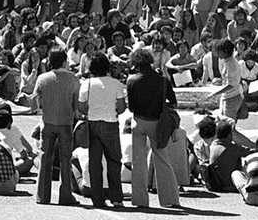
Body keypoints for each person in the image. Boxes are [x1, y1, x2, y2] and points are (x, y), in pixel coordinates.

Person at [126, 48, 180, 208]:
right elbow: (174, 103)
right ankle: (170, 199)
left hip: (139, 121)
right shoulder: (163, 80)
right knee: (162, 159)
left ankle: (140, 200)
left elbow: (132, 108)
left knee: (138, 160)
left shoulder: (132, 80)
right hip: (157, 122)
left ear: (136, 63)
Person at [78, 53, 126, 208]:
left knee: (95, 162)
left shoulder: (87, 83)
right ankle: (116, 197)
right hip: (110, 122)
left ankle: (97, 199)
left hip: (92, 122)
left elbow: (81, 106)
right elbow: (122, 106)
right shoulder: (116, 83)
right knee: (114, 161)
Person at [33, 48, 80, 205]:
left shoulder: (42, 78)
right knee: (65, 160)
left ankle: (42, 195)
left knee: (45, 157)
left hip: (47, 122)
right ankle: (66, 196)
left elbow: (36, 101)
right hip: (66, 123)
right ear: (64, 61)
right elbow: (76, 104)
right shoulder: (73, 79)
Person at [207, 120, 251, 192]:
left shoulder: (213, 145)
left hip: (216, 183)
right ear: (229, 134)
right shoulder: (233, 148)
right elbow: (251, 152)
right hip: (229, 185)